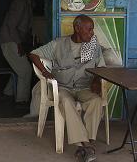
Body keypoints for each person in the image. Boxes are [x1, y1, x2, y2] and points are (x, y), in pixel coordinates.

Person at [29, 15, 105, 162]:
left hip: (84, 87)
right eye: (89, 30)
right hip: (63, 87)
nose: (92, 33)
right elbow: (33, 55)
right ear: (77, 28)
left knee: (95, 100)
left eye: (92, 30)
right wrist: (45, 72)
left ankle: (84, 145)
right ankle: (87, 145)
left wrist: (96, 80)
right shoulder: (59, 43)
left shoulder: (93, 46)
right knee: (66, 102)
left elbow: (100, 67)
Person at [0, 0, 37, 104]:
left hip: (14, 40)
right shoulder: (20, 3)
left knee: (20, 68)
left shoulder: (28, 3)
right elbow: (11, 25)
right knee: (26, 71)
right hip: (10, 41)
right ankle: (21, 100)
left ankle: (8, 92)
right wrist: (19, 44)